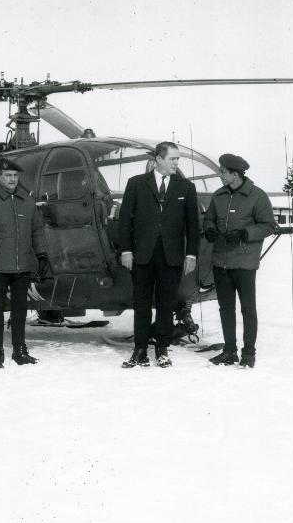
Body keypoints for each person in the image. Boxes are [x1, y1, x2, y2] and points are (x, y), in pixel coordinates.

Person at [117, 141, 199, 368]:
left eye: (178, 159)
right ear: (159, 159)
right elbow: (125, 221)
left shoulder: (186, 188)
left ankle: (162, 349)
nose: (176, 163)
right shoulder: (135, 184)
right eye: (173, 159)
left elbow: (193, 225)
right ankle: (140, 350)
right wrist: (126, 250)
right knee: (141, 303)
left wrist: (191, 255)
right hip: (142, 255)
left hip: (171, 256)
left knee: (166, 303)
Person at [0, 157, 51, 369]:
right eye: (8, 176)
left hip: (22, 266)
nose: (12, 179)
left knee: (20, 311)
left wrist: (42, 255)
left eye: (15, 176)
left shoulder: (27, 202)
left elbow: (36, 231)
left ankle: (19, 350)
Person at [203, 154, 276, 368]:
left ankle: (249, 353)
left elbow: (269, 225)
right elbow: (209, 219)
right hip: (220, 263)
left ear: (234, 175)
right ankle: (229, 351)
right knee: (225, 308)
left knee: (247, 309)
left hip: (244, 263)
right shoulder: (219, 196)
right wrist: (209, 230)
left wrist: (245, 233)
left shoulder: (257, 196)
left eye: (223, 172)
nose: (219, 174)